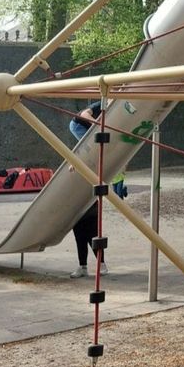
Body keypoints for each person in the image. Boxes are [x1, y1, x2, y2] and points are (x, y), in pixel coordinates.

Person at [68, 102, 108, 279]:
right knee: (89, 146)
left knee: (92, 233)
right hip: (77, 124)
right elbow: (84, 114)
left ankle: (101, 264)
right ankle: (83, 266)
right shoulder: (102, 103)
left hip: (89, 204)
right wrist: (96, 123)